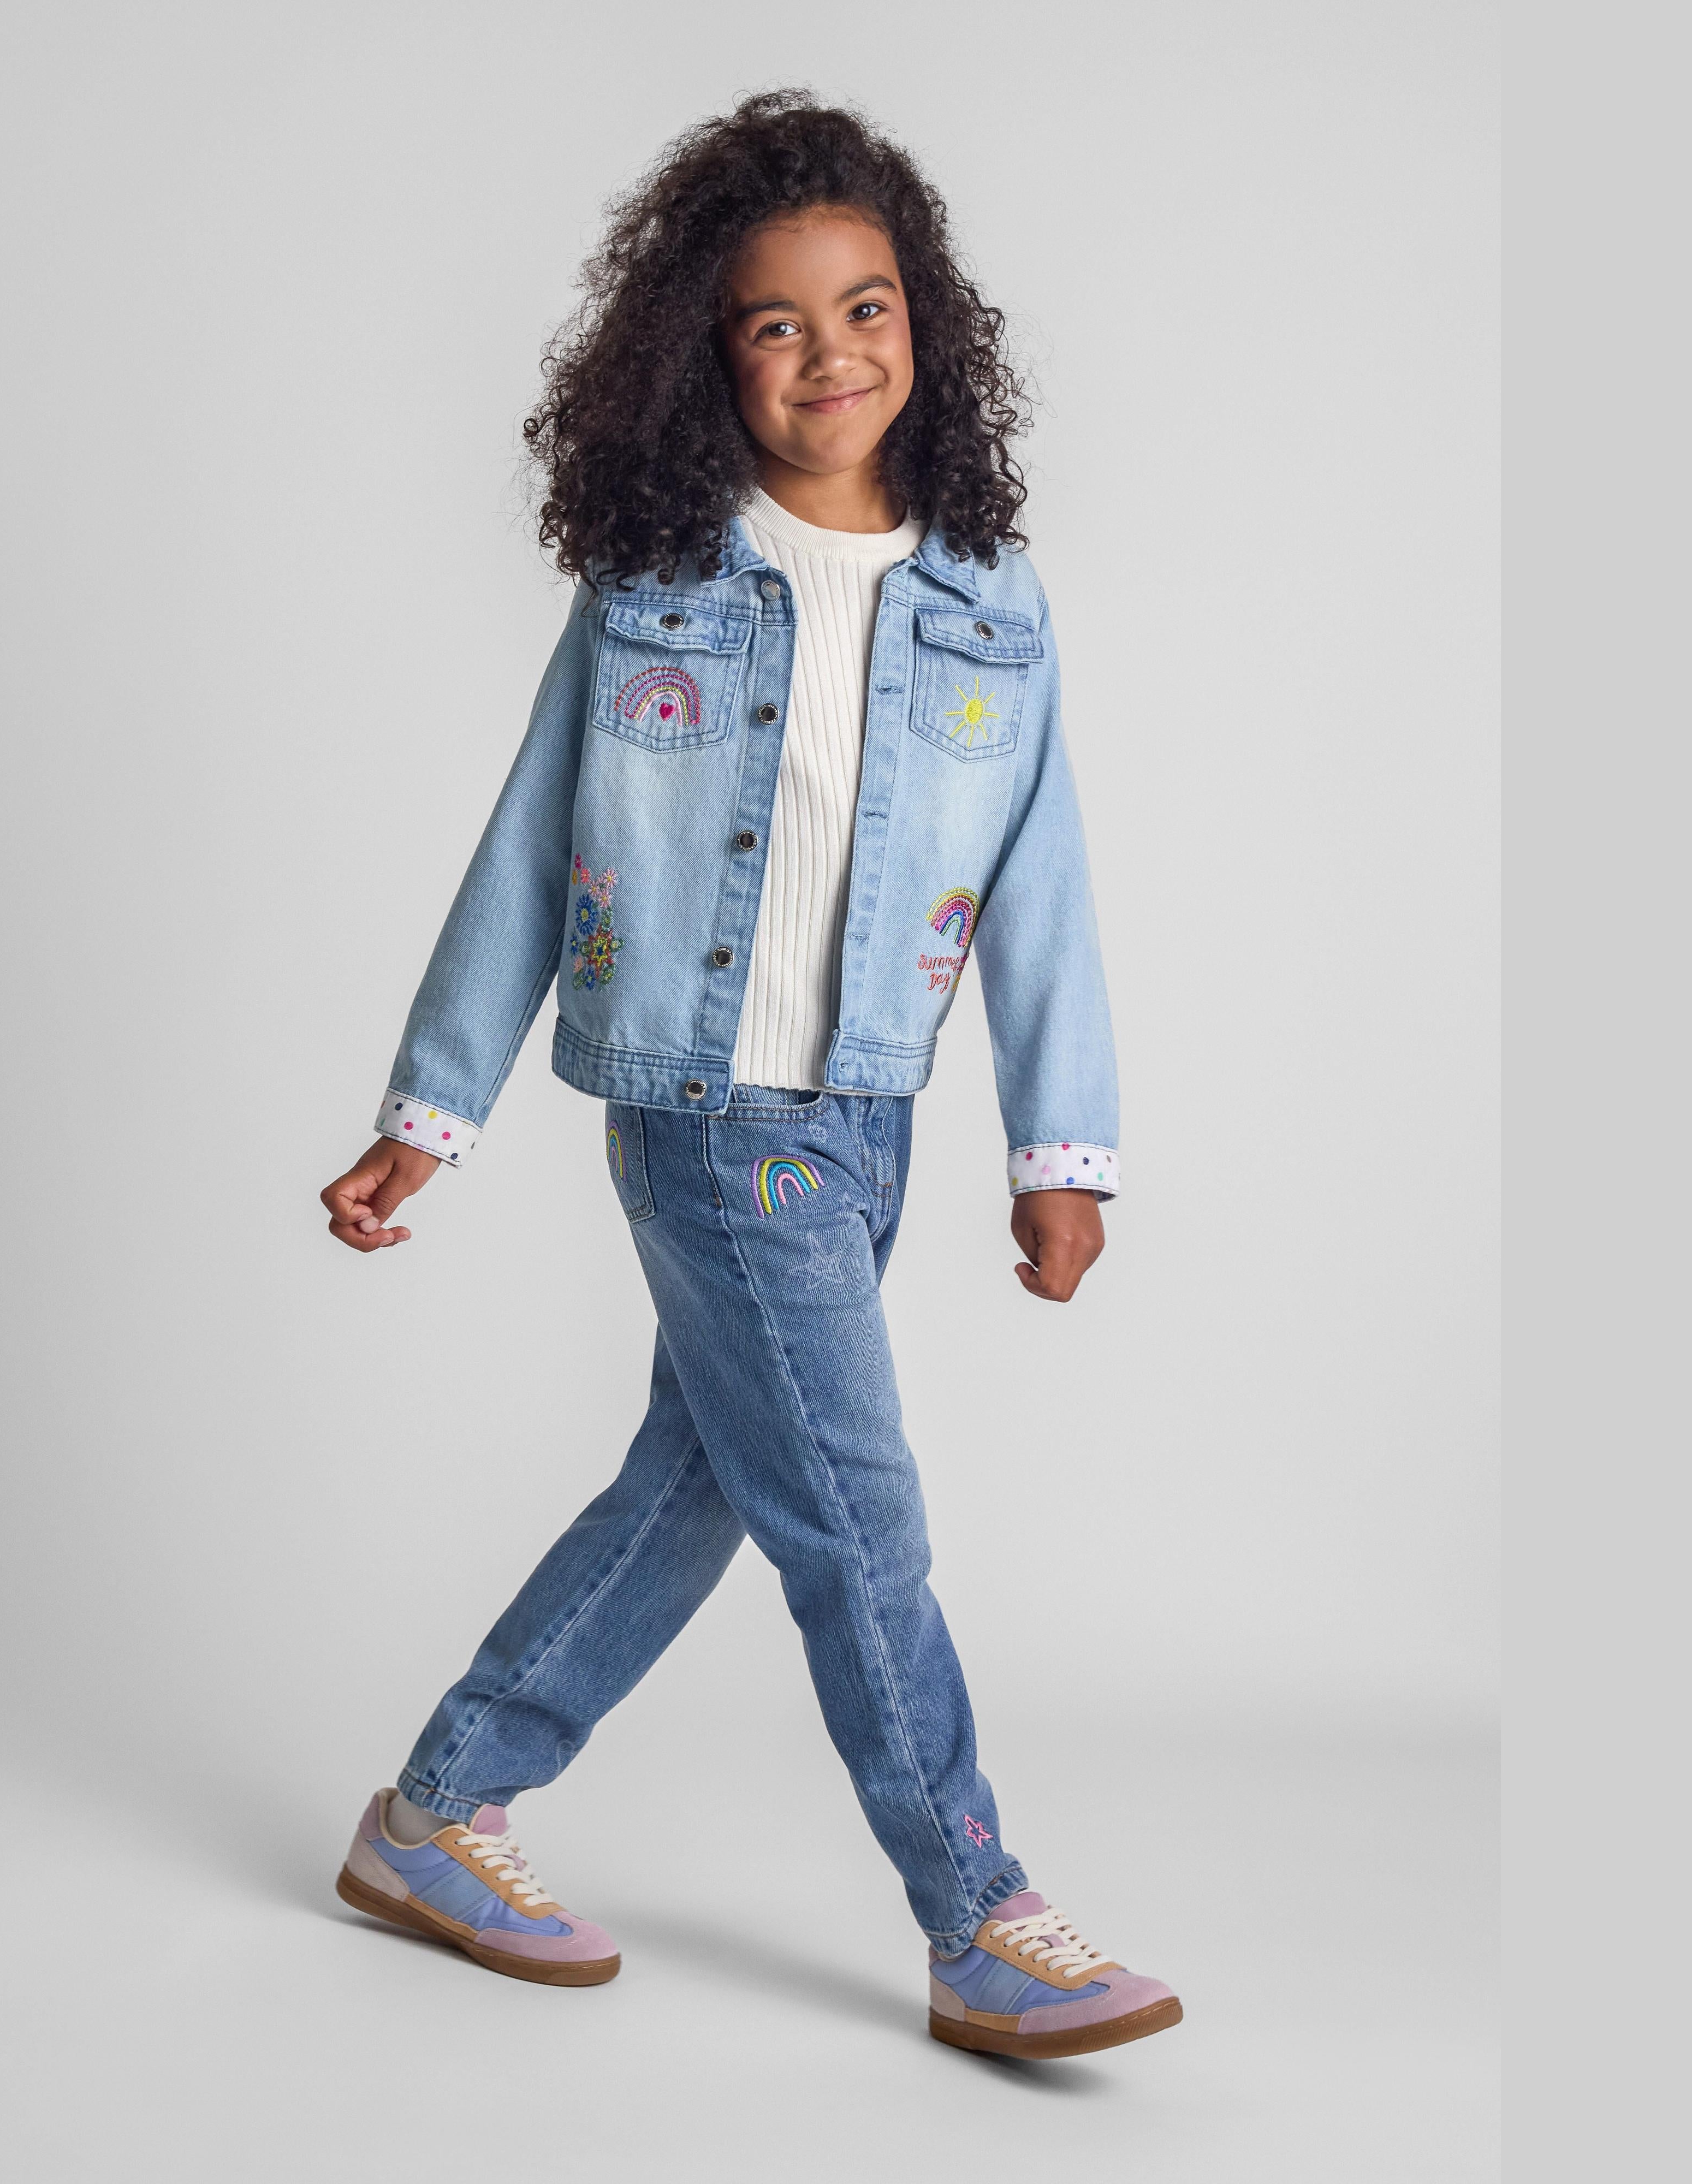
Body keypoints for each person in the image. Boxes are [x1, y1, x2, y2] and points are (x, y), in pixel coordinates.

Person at [318, 91, 1180, 2061]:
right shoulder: (659, 582)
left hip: (870, 1112)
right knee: (858, 1523)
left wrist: (1064, 1149)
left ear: (923, 328)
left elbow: (1044, 886)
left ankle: (435, 1815)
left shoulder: (992, 593)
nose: (831, 357)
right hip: (709, 1115)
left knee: (701, 1479)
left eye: (866, 310)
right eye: (776, 323)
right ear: (705, 353)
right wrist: (424, 1118)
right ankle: (979, 1918)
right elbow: (535, 842)